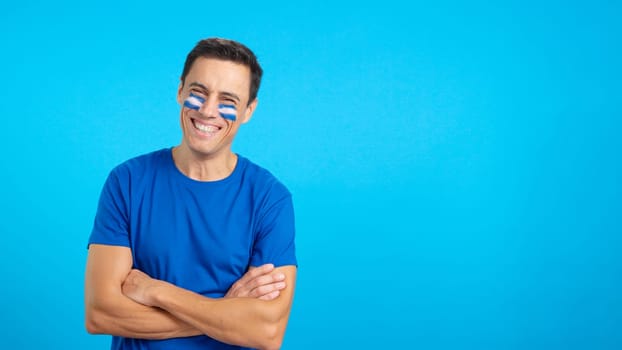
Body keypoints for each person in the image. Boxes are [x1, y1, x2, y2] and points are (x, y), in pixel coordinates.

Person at [84, 38, 297, 350]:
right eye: (198, 93)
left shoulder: (270, 199)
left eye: (228, 100)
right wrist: (226, 310)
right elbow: (100, 314)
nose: (208, 111)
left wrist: (157, 292)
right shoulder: (127, 181)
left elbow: (266, 332)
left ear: (249, 110)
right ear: (180, 90)